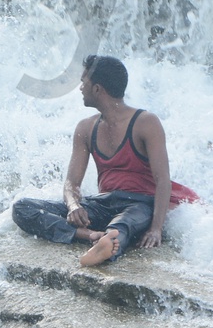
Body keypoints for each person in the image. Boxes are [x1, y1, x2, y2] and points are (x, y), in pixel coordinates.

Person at [12, 55, 198, 266]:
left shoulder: (146, 123)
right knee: (22, 208)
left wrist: (156, 228)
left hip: (140, 204)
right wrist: (74, 206)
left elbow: (163, 180)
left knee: (123, 224)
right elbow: (71, 183)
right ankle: (89, 236)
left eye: (84, 82)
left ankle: (107, 244)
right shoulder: (85, 128)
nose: (81, 88)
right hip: (103, 203)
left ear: (98, 89)